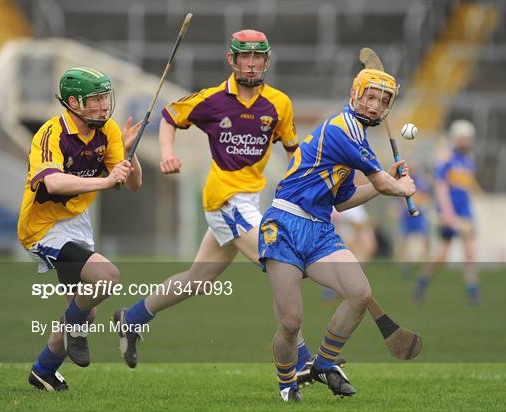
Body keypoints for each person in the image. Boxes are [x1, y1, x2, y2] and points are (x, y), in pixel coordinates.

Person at [113, 30, 321, 374]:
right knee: (282, 264)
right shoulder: (212, 99)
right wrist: (167, 153)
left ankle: (131, 318)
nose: (251, 64)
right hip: (224, 198)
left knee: (197, 280)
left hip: (250, 200)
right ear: (232, 60)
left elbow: (293, 151)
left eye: (258, 58)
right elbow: (169, 116)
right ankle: (300, 361)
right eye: (245, 57)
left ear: (266, 61)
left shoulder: (279, 103)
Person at [258, 68, 416, 401]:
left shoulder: (357, 137)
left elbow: (343, 201)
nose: (375, 106)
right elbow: (381, 182)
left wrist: (384, 182)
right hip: (285, 224)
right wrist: (398, 187)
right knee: (290, 322)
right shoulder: (343, 129)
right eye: (370, 97)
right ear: (355, 94)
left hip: (318, 229)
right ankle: (287, 383)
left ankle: (324, 363)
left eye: (383, 101)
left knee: (359, 292)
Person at [18, 67, 142, 391]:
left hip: (77, 223)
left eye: (105, 96)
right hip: (44, 226)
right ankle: (73, 331)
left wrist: (129, 155)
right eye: (96, 99)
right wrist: (105, 180)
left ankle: (43, 370)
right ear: (74, 102)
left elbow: (134, 185)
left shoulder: (109, 131)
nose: (104, 105)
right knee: (107, 277)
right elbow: (53, 182)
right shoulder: (50, 134)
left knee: (86, 312)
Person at [413, 119, 481, 304]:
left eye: (468, 138)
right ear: (455, 138)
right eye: (463, 138)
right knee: (443, 254)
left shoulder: (468, 160)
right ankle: (421, 283)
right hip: (449, 212)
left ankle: (473, 292)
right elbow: (441, 186)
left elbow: (466, 185)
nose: (466, 141)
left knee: (470, 252)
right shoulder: (446, 157)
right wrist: (447, 212)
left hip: (465, 212)